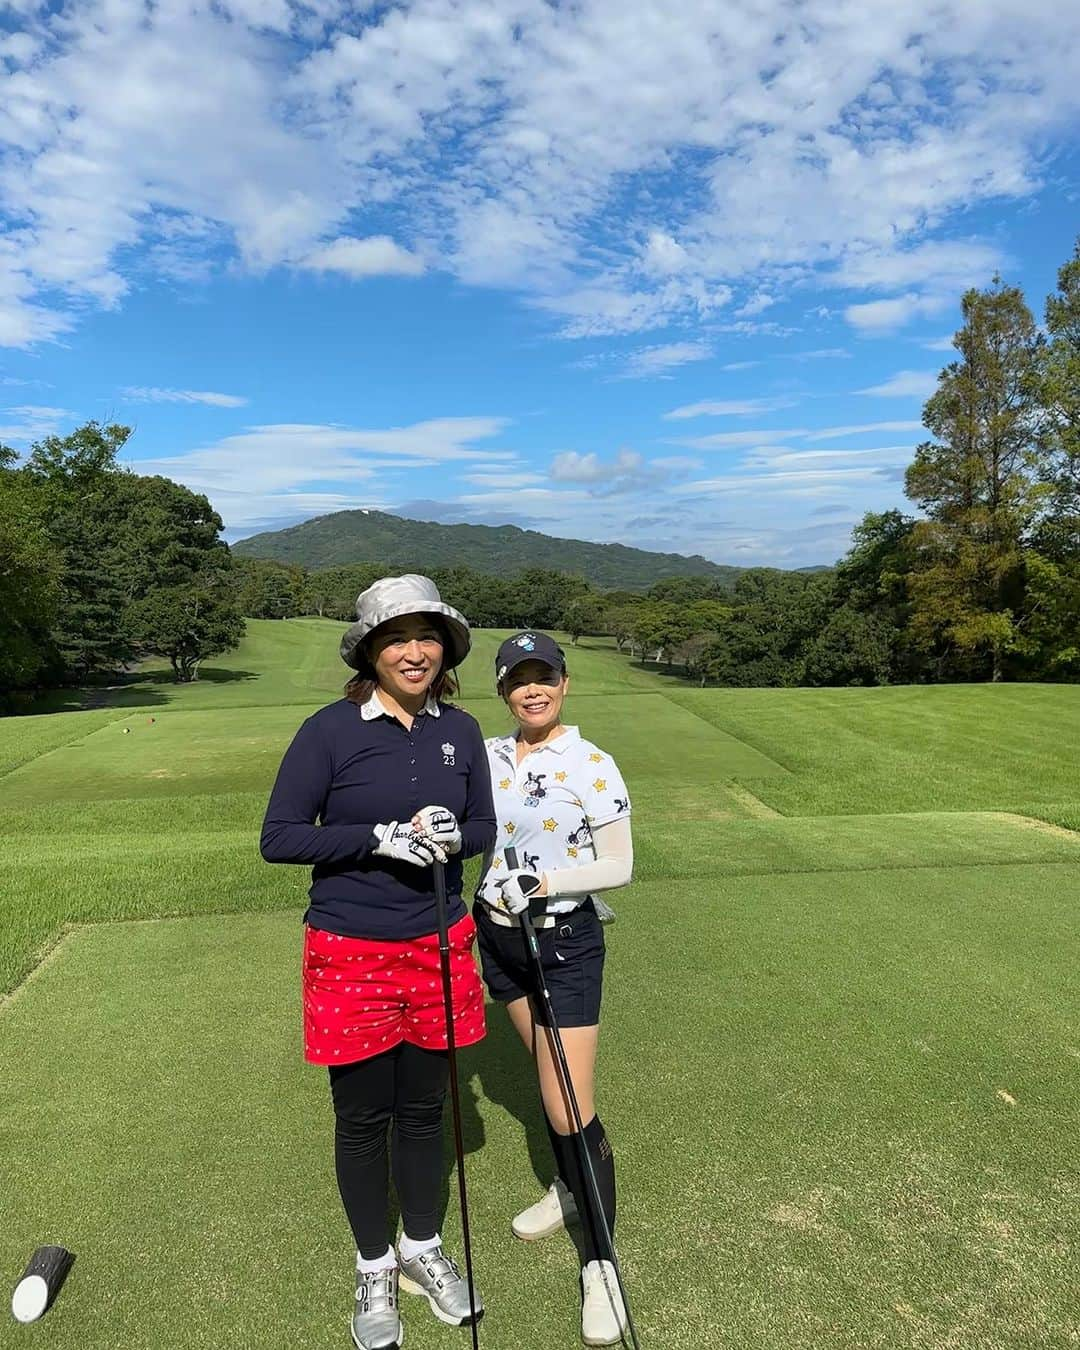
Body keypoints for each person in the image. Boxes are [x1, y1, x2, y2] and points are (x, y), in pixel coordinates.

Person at [260, 575, 495, 1350]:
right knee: (363, 1117)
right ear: (370, 650)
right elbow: (281, 836)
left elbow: (484, 824)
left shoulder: (460, 730)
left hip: (437, 940)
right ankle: (372, 1263)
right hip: (352, 946)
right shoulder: (329, 730)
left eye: (426, 635)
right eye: (396, 637)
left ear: (446, 647)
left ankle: (422, 1249)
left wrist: (457, 837)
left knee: (426, 1109)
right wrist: (377, 836)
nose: (414, 650)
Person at [474, 631, 633, 1347]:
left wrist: (548, 882)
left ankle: (601, 1264)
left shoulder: (591, 764)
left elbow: (619, 866)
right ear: (503, 689)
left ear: (564, 683)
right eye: (518, 680)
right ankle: (568, 1191)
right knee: (546, 1087)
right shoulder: (490, 755)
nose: (531, 690)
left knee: (569, 1107)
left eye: (544, 678)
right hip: (499, 937)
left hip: (562, 941)